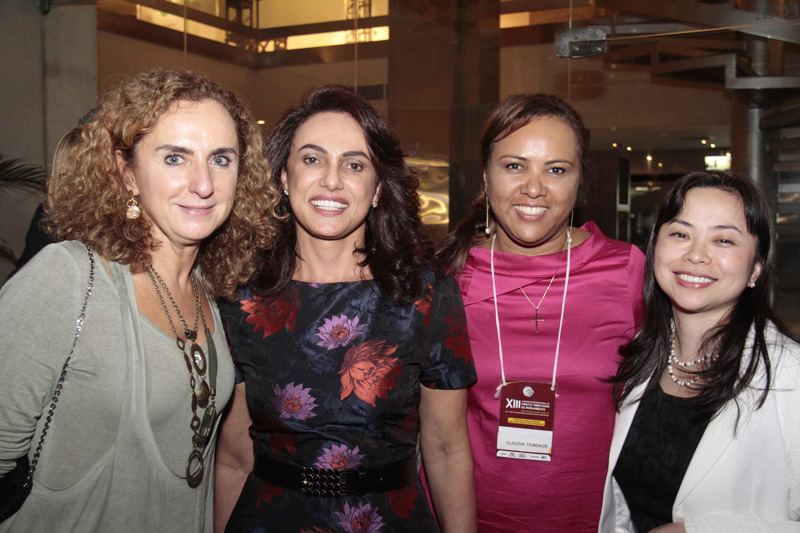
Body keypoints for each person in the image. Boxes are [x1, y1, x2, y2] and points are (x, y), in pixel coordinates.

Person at [0, 69, 280, 532]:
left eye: (221, 159)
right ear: (127, 173)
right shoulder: (67, 277)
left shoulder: (210, 291)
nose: (203, 183)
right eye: (174, 158)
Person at [215, 85, 478, 533]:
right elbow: (236, 457)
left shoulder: (426, 296)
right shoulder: (241, 298)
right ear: (284, 177)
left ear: (377, 188)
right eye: (312, 159)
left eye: (354, 164)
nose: (332, 180)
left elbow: (447, 450)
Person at [436, 93, 645, 532]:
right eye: (515, 166)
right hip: (465, 521)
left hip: (591, 521)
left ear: (579, 180)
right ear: (486, 177)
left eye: (556, 170)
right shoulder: (448, 276)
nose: (534, 188)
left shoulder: (625, 270)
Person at [600, 171, 800, 532]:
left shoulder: (791, 376)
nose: (695, 255)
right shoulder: (633, 355)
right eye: (680, 234)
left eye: (723, 240)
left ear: (756, 268)